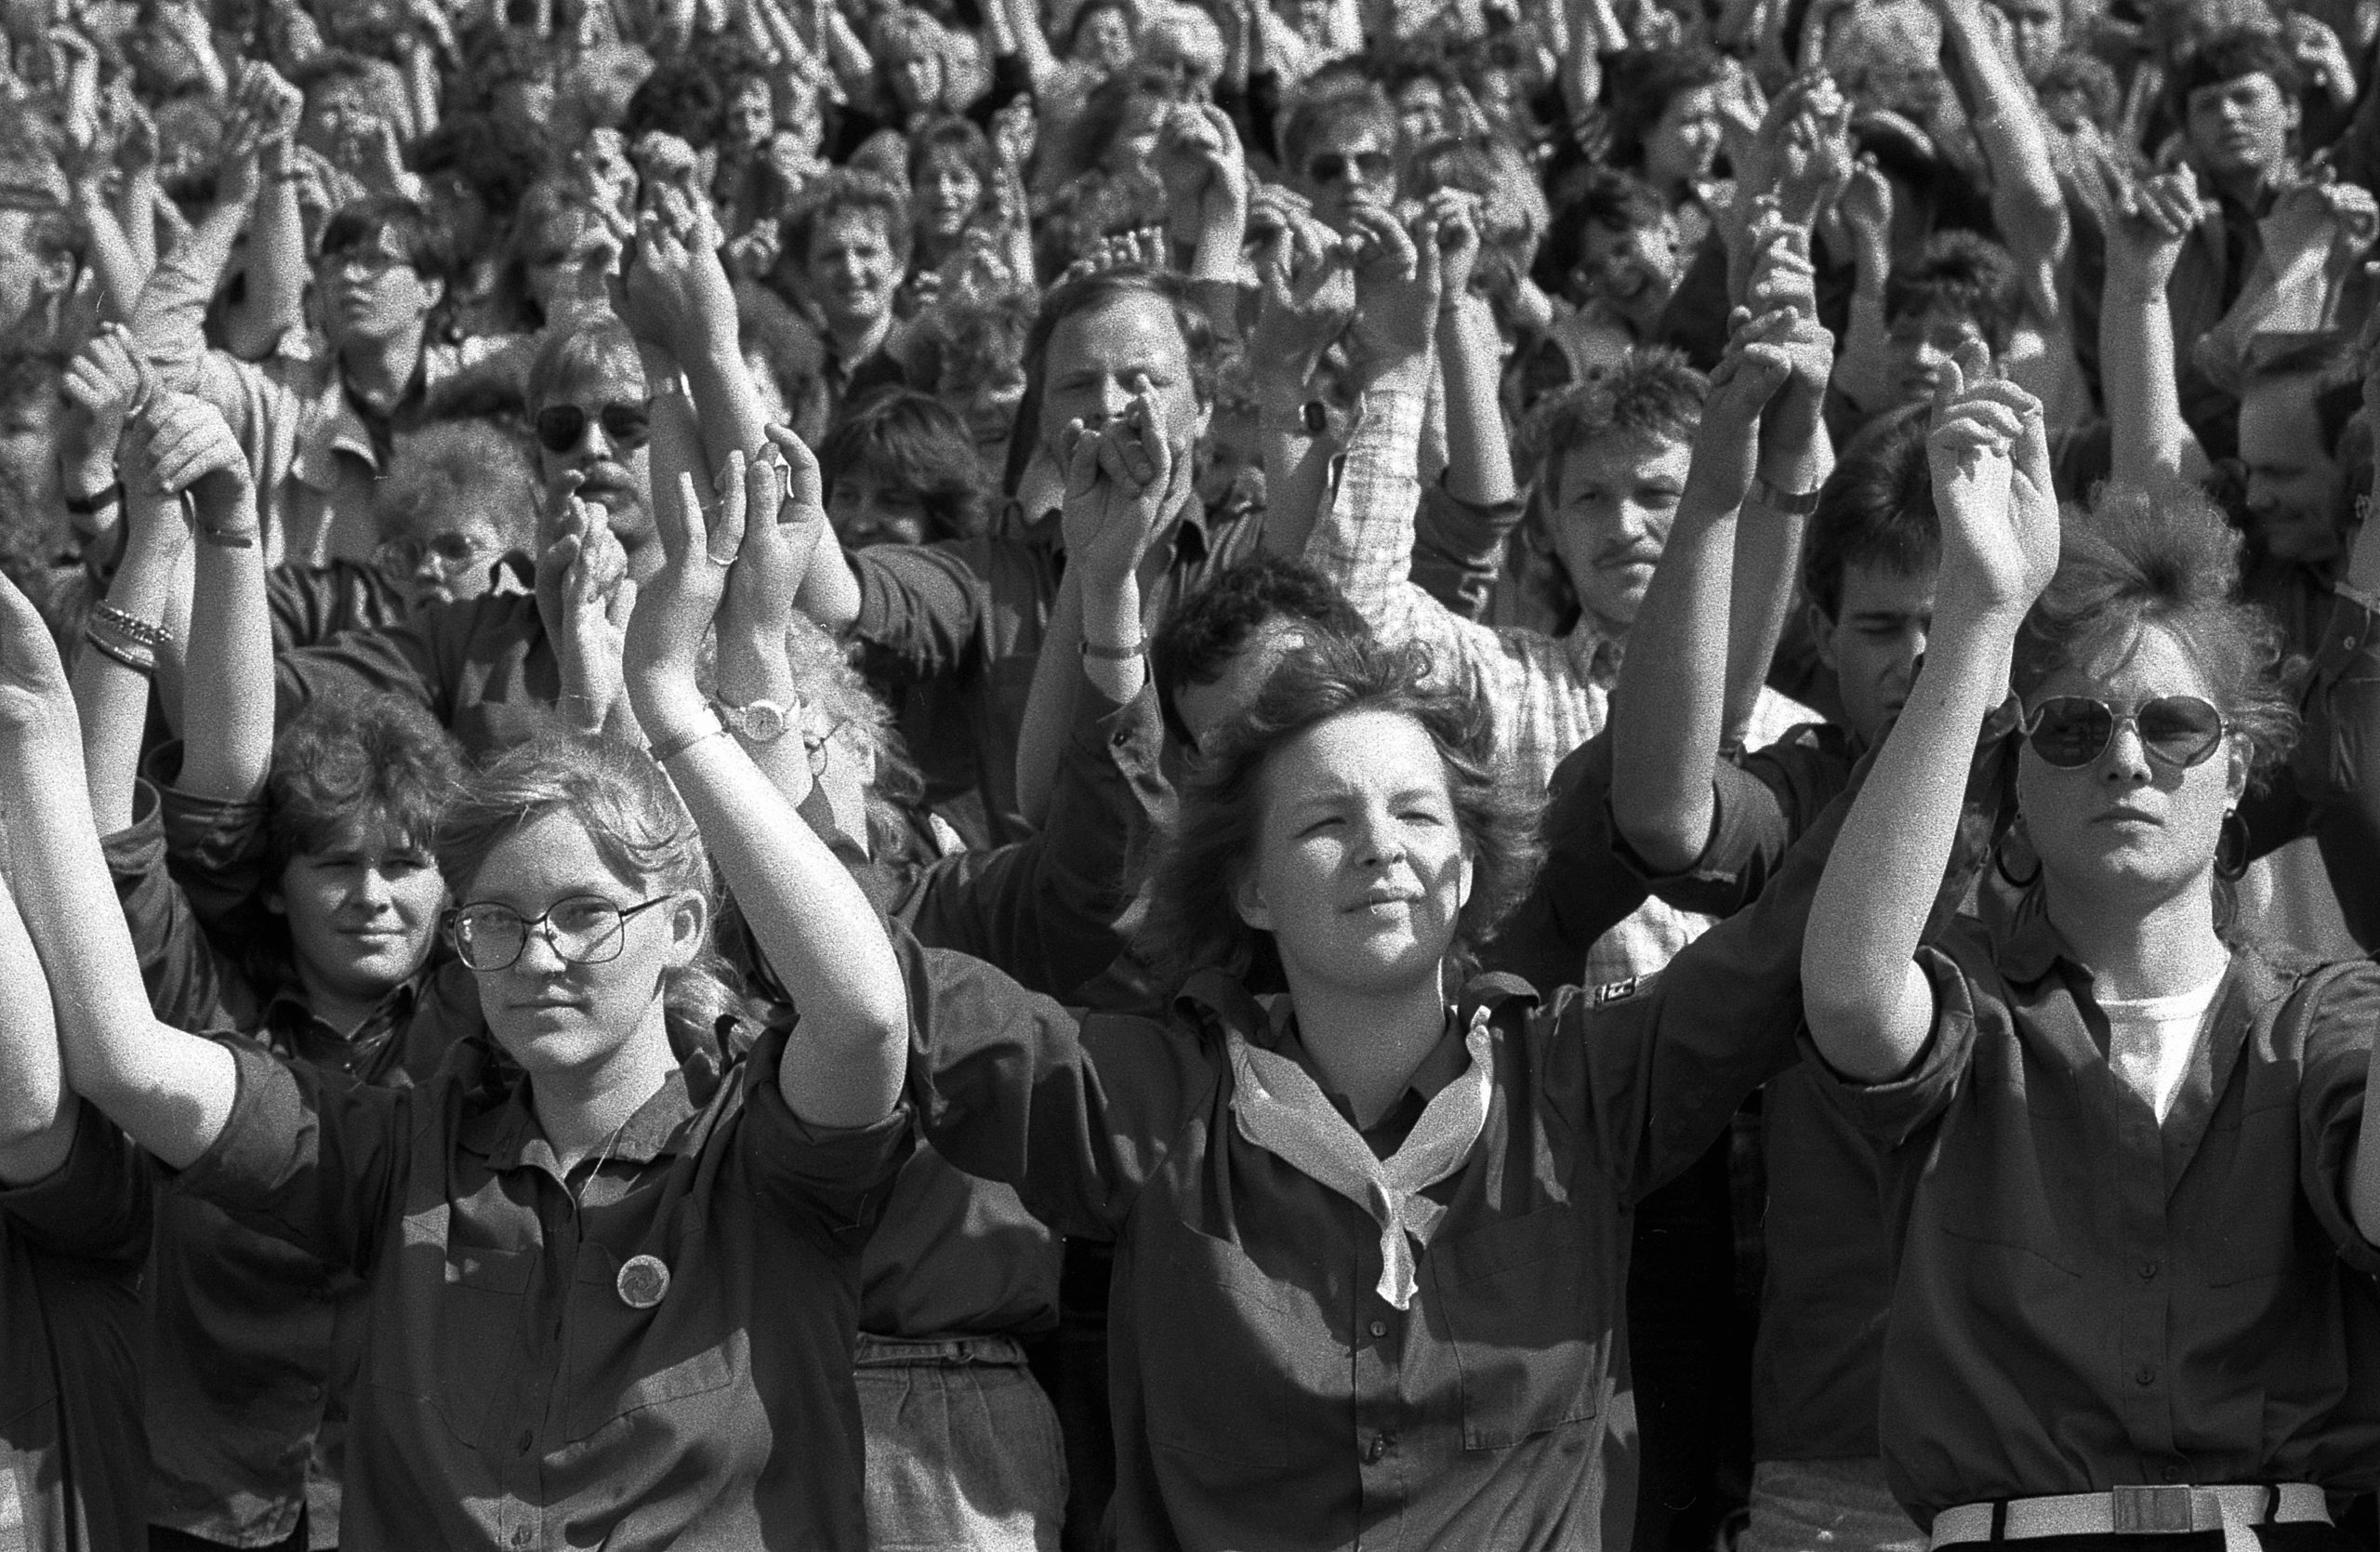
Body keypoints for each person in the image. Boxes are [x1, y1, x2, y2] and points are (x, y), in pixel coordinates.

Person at [0, 425, 917, 1540]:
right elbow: (123, 1058)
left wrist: (670, 707)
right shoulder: (401, 1154)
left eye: (584, 915)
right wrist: (36, 727)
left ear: (681, 926)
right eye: (495, 922)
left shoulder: (762, 1160)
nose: (535, 956)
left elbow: (867, 1017)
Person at [878, 625, 1859, 1551]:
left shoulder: (1582, 1081)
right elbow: (881, 997)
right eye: (1325, 820)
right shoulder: (1155, 1100)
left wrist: (1975, 644)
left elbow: (1808, 934)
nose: (1380, 846)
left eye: (1417, 813)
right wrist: (727, 720)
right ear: (1252, 890)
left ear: (1466, 871)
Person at [1802, 359, 2380, 1543]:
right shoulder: (1960, 1000)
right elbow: (1854, 1002)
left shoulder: (2325, 1008)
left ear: (2235, 779)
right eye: (2071, 728)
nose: (2126, 761)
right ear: (2014, 776)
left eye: (2173, 727)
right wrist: (1977, 617)